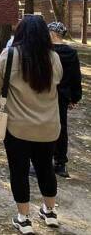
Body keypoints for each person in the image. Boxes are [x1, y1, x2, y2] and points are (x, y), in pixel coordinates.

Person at [0, 15, 63, 234]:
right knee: (46, 168)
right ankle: (49, 212)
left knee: (19, 171)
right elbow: (58, 80)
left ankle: (24, 218)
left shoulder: (10, 55)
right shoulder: (53, 58)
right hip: (49, 126)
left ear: (20, 32)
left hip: (17, 126)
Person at [48, 22, 82, 178]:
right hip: (62, 96)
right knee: (61, 127)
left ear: (52, 34)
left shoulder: (46, 51)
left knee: (43, 126)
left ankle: (43, 160)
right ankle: (60, 163)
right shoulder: (71, 53)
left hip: (45, 94)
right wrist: (75, 97)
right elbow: (76, 77)